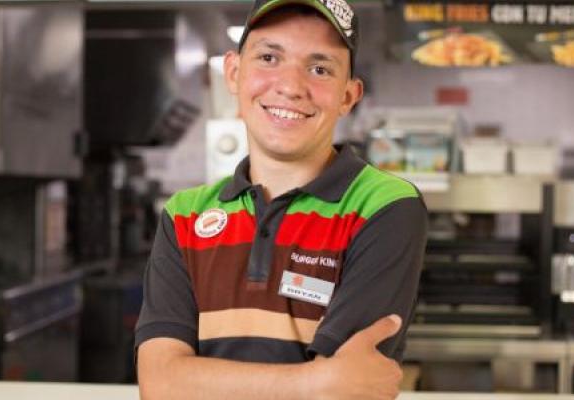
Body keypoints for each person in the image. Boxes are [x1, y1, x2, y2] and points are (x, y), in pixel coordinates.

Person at [135, 1, 427, 399]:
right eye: (270, 57)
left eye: (320, 68)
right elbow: (161, 383)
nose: (290, 86)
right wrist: (311, 383)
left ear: (348, 95)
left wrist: (200, 381)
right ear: (234, 73)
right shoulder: (185, 214)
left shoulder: (384, 206)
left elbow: (347, 391)